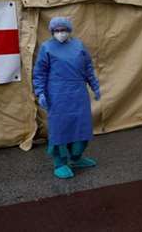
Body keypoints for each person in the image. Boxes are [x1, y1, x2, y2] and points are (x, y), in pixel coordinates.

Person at [32, 17, 100, 179]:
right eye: (57, 30)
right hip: (57, 94)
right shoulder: (47, 47)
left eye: (63, 30)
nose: (60, 33)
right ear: (52, 31)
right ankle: (60, 163)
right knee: (60, 128)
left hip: (78, 93)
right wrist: (40, 92)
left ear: (69, 30)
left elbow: (88, 68)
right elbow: (39, 72)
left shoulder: (78, 46)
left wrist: (95, 86)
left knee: (81, 126)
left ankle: (76, 157)